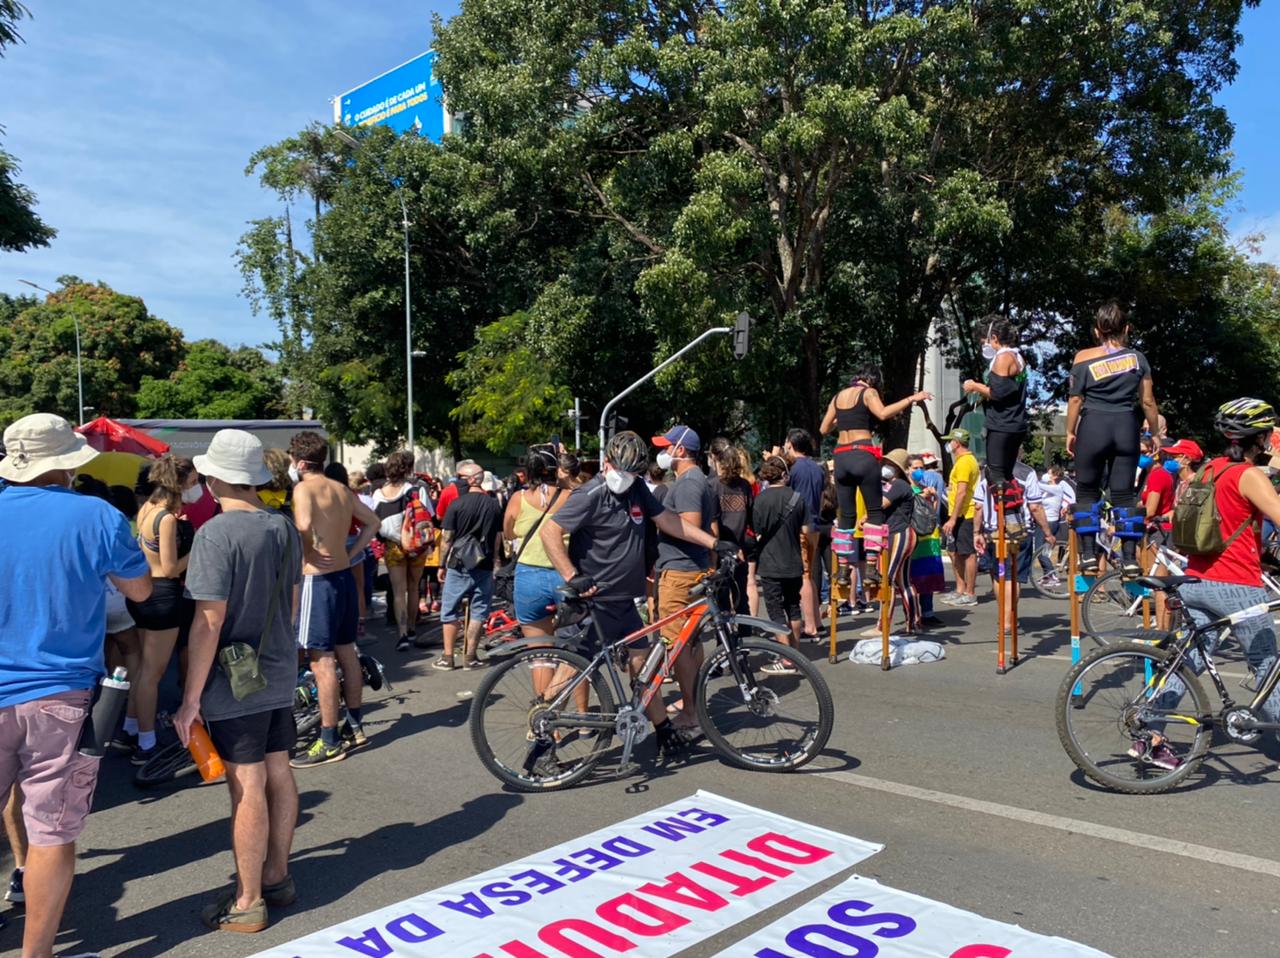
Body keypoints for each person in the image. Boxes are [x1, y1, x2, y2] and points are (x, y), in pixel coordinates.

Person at [0, 413, 152, 958]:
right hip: (61, 692)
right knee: (51, 834)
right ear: (65, 464)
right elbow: (138, 590)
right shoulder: (96, 515)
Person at [176, 428, 304, 933]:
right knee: (278, 769)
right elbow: (291, 601)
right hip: (276, 665)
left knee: (246, 782)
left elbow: (209, 620)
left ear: (213, 479)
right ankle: (276, 875)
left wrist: (189, 699)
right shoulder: (282, 526)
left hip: (234, 677)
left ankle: (249, 899)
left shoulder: (216, 533)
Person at [539, 431, 733, 757]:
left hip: (624, 601)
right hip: (596, 599)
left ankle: (662, 728)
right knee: (574, 667)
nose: (625, 478)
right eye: (621, 471)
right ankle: (541, 731)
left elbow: (670, 521)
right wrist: (572, 576)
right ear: (607, 463)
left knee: (643, 668)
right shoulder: (592, 492)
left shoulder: (637, 489)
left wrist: (713, 542)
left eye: (632, 473)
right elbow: (550, 531)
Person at [1143, 400, 1280, 771]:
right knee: (1267, 664)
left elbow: (1224, 529)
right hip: (1236, 586)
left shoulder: (1207, 470)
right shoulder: (1250, 475)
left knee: (1187, 662)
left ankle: (1149, 734)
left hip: (1196, 579)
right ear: (1262, 437)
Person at [289, 433, 378, 767]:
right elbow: (373, 522)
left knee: (320, 659)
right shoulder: (340, 489)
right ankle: (354, 725)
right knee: (346, 652)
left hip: (318, 578)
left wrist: (310, 551)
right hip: (341, 574)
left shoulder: (303, 488)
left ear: (299, 462)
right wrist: (351, 552)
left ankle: (328, 739)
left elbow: (302, 525)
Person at [1065, 301, 1162, 575]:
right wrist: (1154, 432)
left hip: (1093, 424)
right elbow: (1148, 401)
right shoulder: (1138, 359)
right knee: (1123, 494)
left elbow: (1075, 400)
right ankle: (1130, 559)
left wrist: (1070, 431)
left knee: (1086, 490)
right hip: (1125, 427)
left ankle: (1087, 556)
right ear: (1127, 328)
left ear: (1097, 331)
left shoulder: (1082, 358)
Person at [820, 365, 931, 586]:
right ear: (872, 380)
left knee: (846, 516)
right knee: (874, 513)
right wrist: (911, 399)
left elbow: (824, 429)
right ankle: (871, 568)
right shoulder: (868, 392)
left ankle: (842, 571)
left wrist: (844, 420)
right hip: (863, 453)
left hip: (841, 457)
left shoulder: (838, 396)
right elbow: (882, 413)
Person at [127, 454, 197, 766]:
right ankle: (146, 743)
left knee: (143, 668)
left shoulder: (146, 509)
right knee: (151, 675)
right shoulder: (166, 518)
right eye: (194, 482)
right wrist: (197, 550)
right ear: (180, 484)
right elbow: (170, 568)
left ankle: (132, 726)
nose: (197, 488)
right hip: (163, 595)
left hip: (143, 593)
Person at [651, 426, 717, 729]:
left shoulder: (689, 483)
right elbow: (710, 529)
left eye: (666, 447)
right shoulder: (695, 480)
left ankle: (690, 711)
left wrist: (659, 520)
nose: (663, 452)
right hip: (690, 567)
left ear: (680, 450)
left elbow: (690, 526)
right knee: (689, 642)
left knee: (678, 644)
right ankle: (692, 701)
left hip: (680, 571)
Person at [502, 445, 571, 663]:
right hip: (565, 573)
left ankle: (545, 698)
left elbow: (509, 532)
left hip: (529, 576)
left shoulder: (518, 498)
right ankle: (577, 696)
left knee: (539, 654)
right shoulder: (570, 496)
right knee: (574, 651)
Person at [435, 462, 504, 671]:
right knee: (479, 611)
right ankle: (470, 656)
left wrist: (441, 564)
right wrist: (496, 561)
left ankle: (448, 657)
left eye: (462, 477)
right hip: (483, 561)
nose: (458, 481)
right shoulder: (493, 504)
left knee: (449, 609)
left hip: (458, 562)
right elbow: (498, 537)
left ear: (473, 479)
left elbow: (447, 538)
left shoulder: (457, 504)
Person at [963, 317, 1029, 536]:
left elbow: (998, 393)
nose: (984, 346)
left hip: (1002, 423)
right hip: (1015, 422)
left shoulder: (1003, 358)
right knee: (1007, 472)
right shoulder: (1019, 357)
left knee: (995, 472)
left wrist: (975, 386)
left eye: (984, 341)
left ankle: (1010, 519)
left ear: (994, 338)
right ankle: (1016, 518)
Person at [751, 455, 810, 666]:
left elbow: (757, 531)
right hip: (793, 560)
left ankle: (785, 656)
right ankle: (795, 652)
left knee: (775, 609)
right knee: (793, 606)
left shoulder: (761, 499)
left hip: (769, 562)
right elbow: (806, 530)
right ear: (785, 474)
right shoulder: (797, 498)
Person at [373, 452, 432, 649]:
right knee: (414, 587)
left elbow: (376, 524)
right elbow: (428, 516)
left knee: (398, 591)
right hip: (416, 546)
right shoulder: (415, 490)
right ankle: (414, 628)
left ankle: (402, 634)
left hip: (393, 546)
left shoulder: (378, 494)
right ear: (407, 468)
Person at [708, 437, 754, 631]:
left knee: (721, 602)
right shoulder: (744, 486)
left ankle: (724, 646)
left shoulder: (712, 486)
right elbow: (751, 516)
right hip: (740, 547)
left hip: (720, 550)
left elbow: (712, 521)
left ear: (714, 458)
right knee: (741, 598)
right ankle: (745, 641)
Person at [878, 449, 922, 634]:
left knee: (887, 579)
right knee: (903, 580)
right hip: (900, 534)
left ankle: (883, 625)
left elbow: (881, 504)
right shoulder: (895, 485)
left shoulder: (898, 485)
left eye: (889, 463)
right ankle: (913, 622)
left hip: (899, 534)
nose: (885, 466)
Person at [940, 428, 979, 606]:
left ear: (956, 443)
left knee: (967, 552)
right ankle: (960, 589)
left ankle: (970, 593)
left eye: (950, 441)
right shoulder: (961, 461)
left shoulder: (965, 462)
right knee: (953, 550)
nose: (949, 444)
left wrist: (953, 518)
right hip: (957, 513)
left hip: (966, 514)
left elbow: (962, 492)